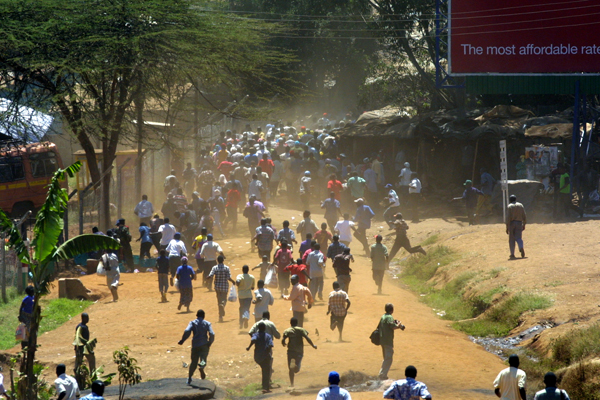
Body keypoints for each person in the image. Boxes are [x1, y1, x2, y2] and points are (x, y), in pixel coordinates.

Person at [178, 309, 215, 384]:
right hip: (204, 344)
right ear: (204, 316)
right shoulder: (207, 323)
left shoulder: (192, 323)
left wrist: (182, 340)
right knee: (203, 359)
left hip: (195, 345)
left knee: (193, 362)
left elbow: (187, 331)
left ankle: (189, 378)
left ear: (196, 315)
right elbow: (212, 333)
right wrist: (209, 343)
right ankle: (201, 367)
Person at [282, 316, 317, 389]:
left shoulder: (288, 330)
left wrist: (283, 342)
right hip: (299, 351)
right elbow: (307, 338)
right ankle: (296, 366)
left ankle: (292, 384)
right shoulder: (301, 330)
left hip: (290, 351)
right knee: (297, 369)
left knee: (290, 369)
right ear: (297, 323)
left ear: (290, 323)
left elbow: (283, 338)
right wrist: (313, 345)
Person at [377, 303, 406, 380]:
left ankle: (382, 374)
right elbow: (393, 327)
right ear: (392, 310)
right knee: (388, 358)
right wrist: (399, 324)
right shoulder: (390, 317)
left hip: (382, 339)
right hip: (387, 340)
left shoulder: (383, 316)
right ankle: (382, 375)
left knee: (386, 357)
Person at [246, 322, 274, 393]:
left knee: (264, 369)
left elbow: (253, 340)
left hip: (257, 357)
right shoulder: (268, 336)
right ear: (265, 328)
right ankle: (266, 387)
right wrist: (267, 350)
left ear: (258, 328)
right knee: (266, 371)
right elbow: (271, 344)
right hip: (265, 356)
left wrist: (249, 347)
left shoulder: (256, 335)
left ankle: (264, 385)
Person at [207, 255, 236, 322]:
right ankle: (223, 305)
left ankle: (220, 317)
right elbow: (228, 277)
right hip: (224, 286)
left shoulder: (215, 268)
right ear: (223, 260)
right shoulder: (226, 268)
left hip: (217, 287)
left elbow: (210, 275)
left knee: (219, 300)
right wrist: (233, 281)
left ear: (217, 260)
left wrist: (207, 278)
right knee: (224, 299)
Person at [506, 195, 527, 260]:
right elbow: (524, 215)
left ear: (510, 200)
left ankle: (512, 254)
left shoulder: (509, 206)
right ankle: (521, 247)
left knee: (511, 239)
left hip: (512, 223)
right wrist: (524, 224)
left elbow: (508, 217)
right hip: (519, 223)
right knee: (518, 237)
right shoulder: (520, 205)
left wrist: (507, 227)